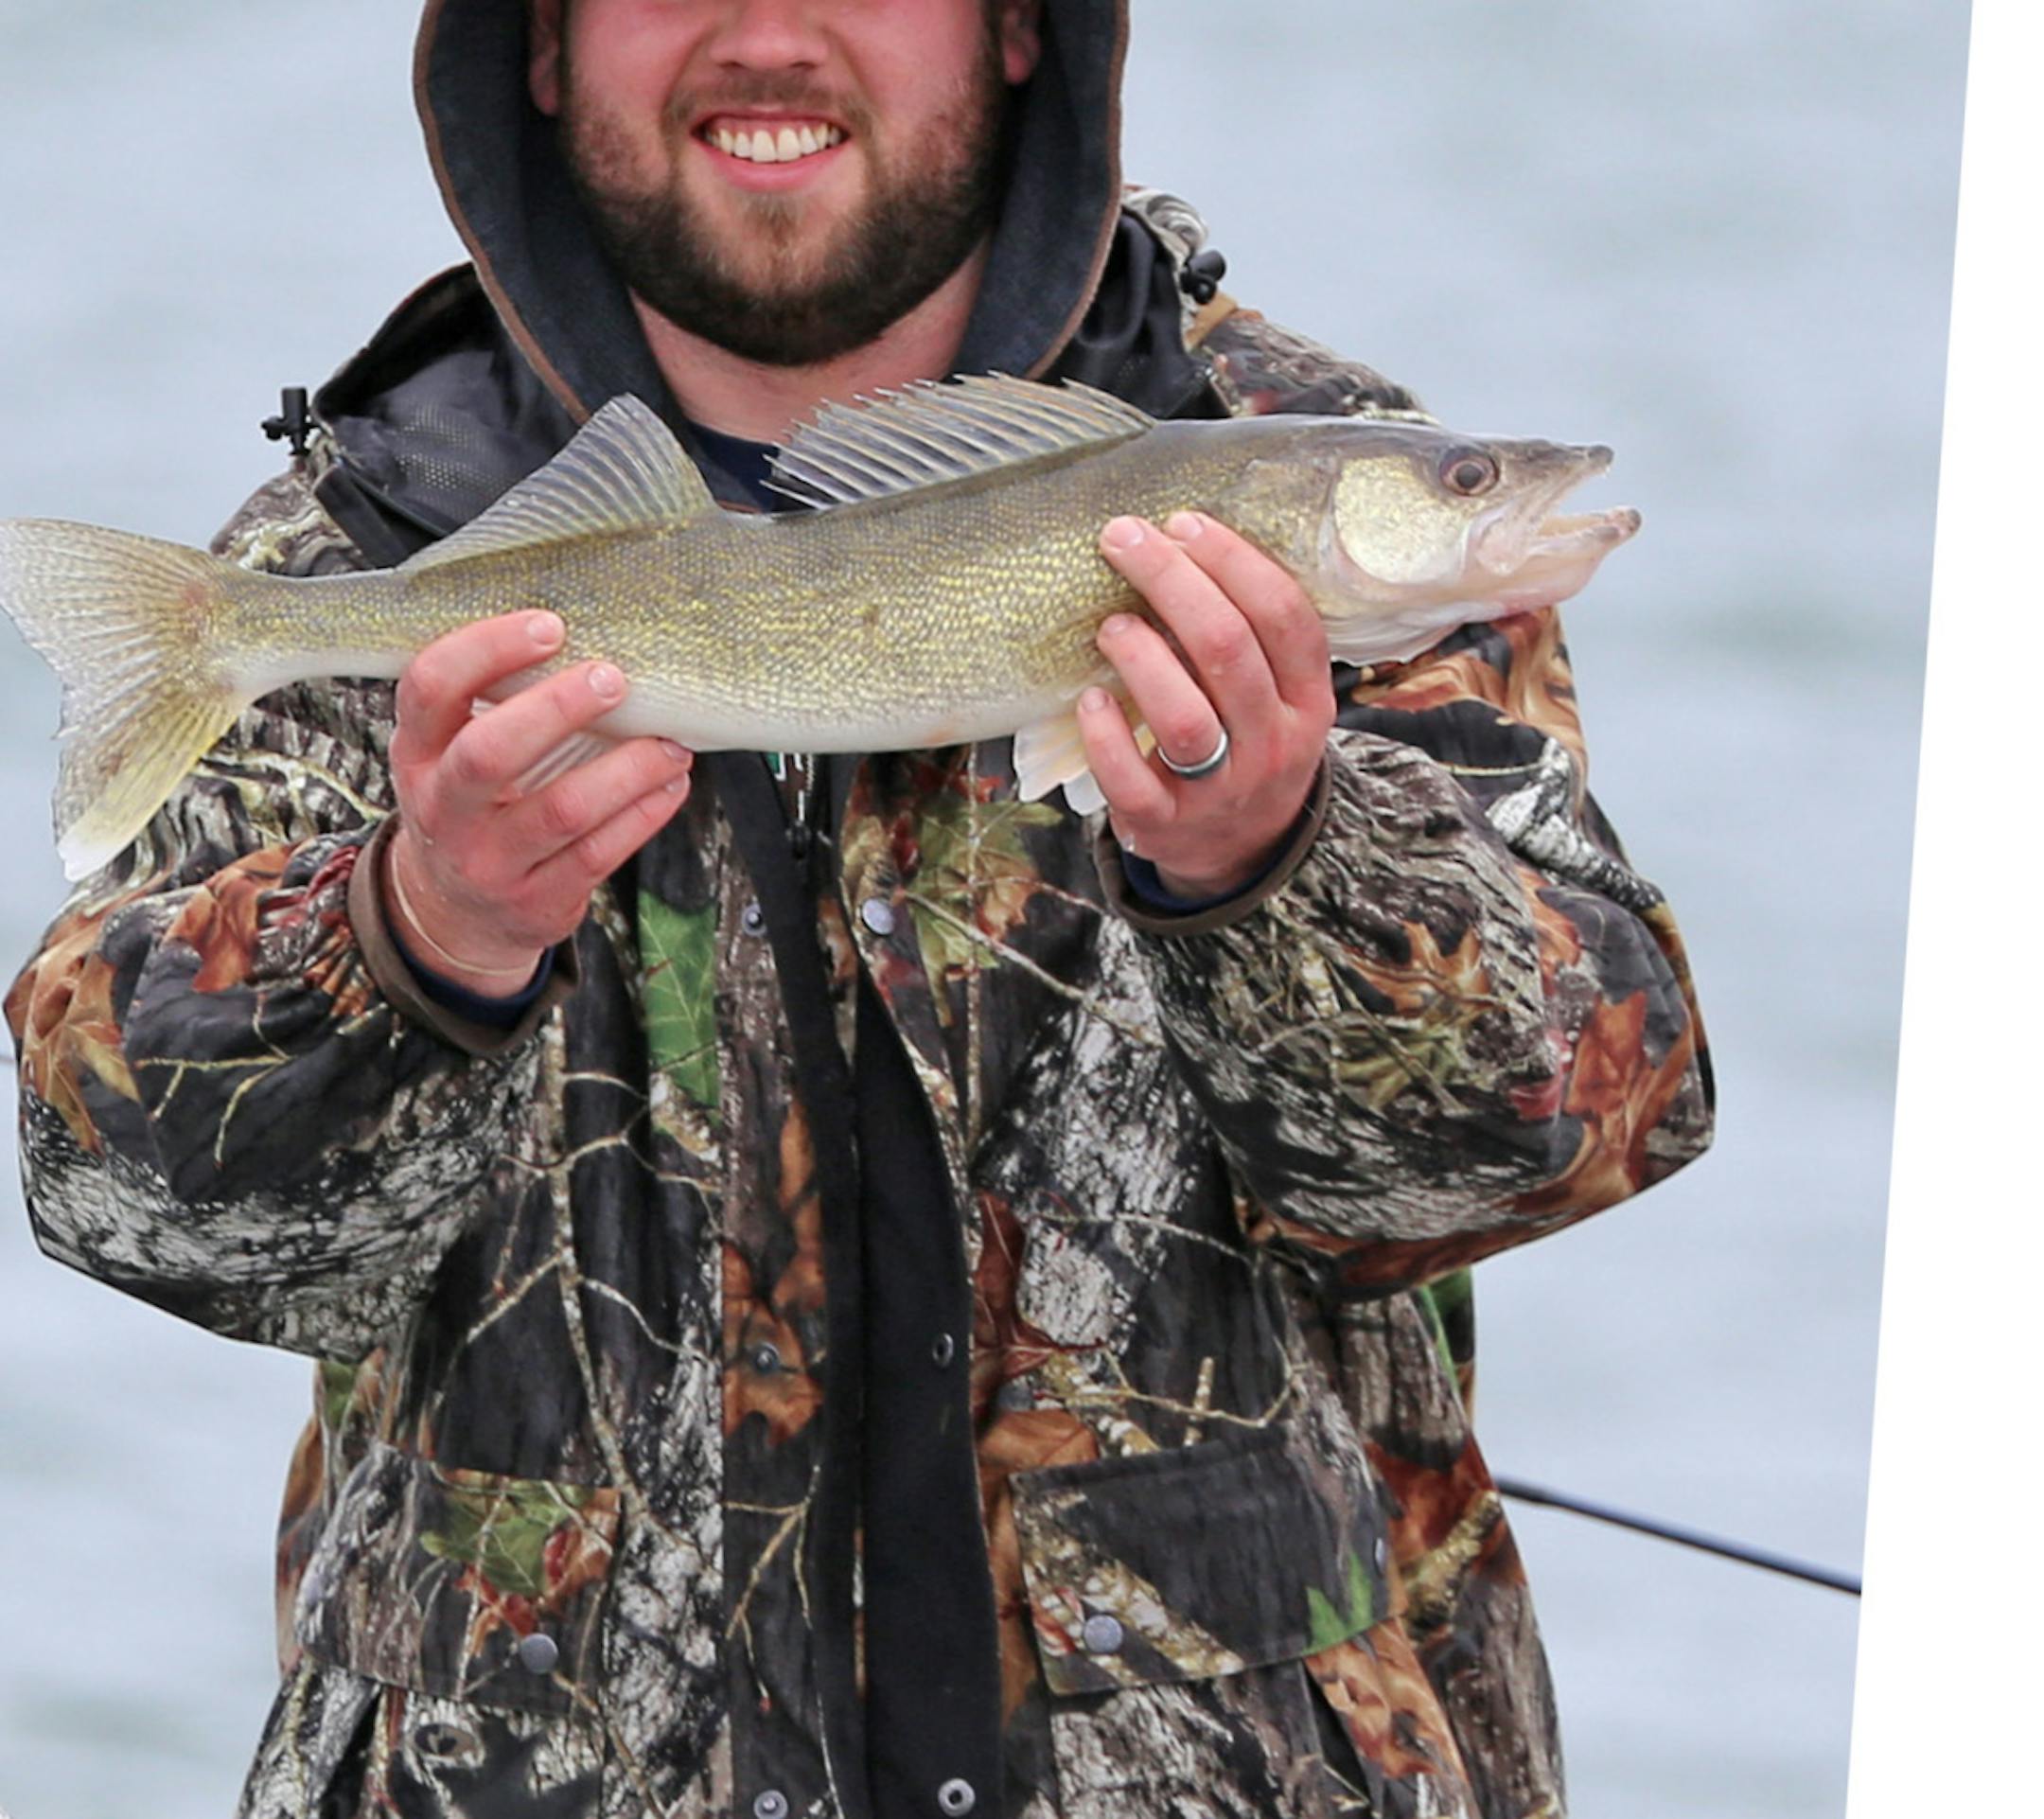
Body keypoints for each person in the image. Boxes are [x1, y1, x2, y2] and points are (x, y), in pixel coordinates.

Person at [5, 2, 1712, 1815]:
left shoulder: (1277, 467)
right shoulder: (370, 545)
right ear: (541, 44)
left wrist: (1275, 862)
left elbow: (1570, 1131)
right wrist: (418, 940)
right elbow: (120, 1205)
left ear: (1017, 31)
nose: (770, 29)